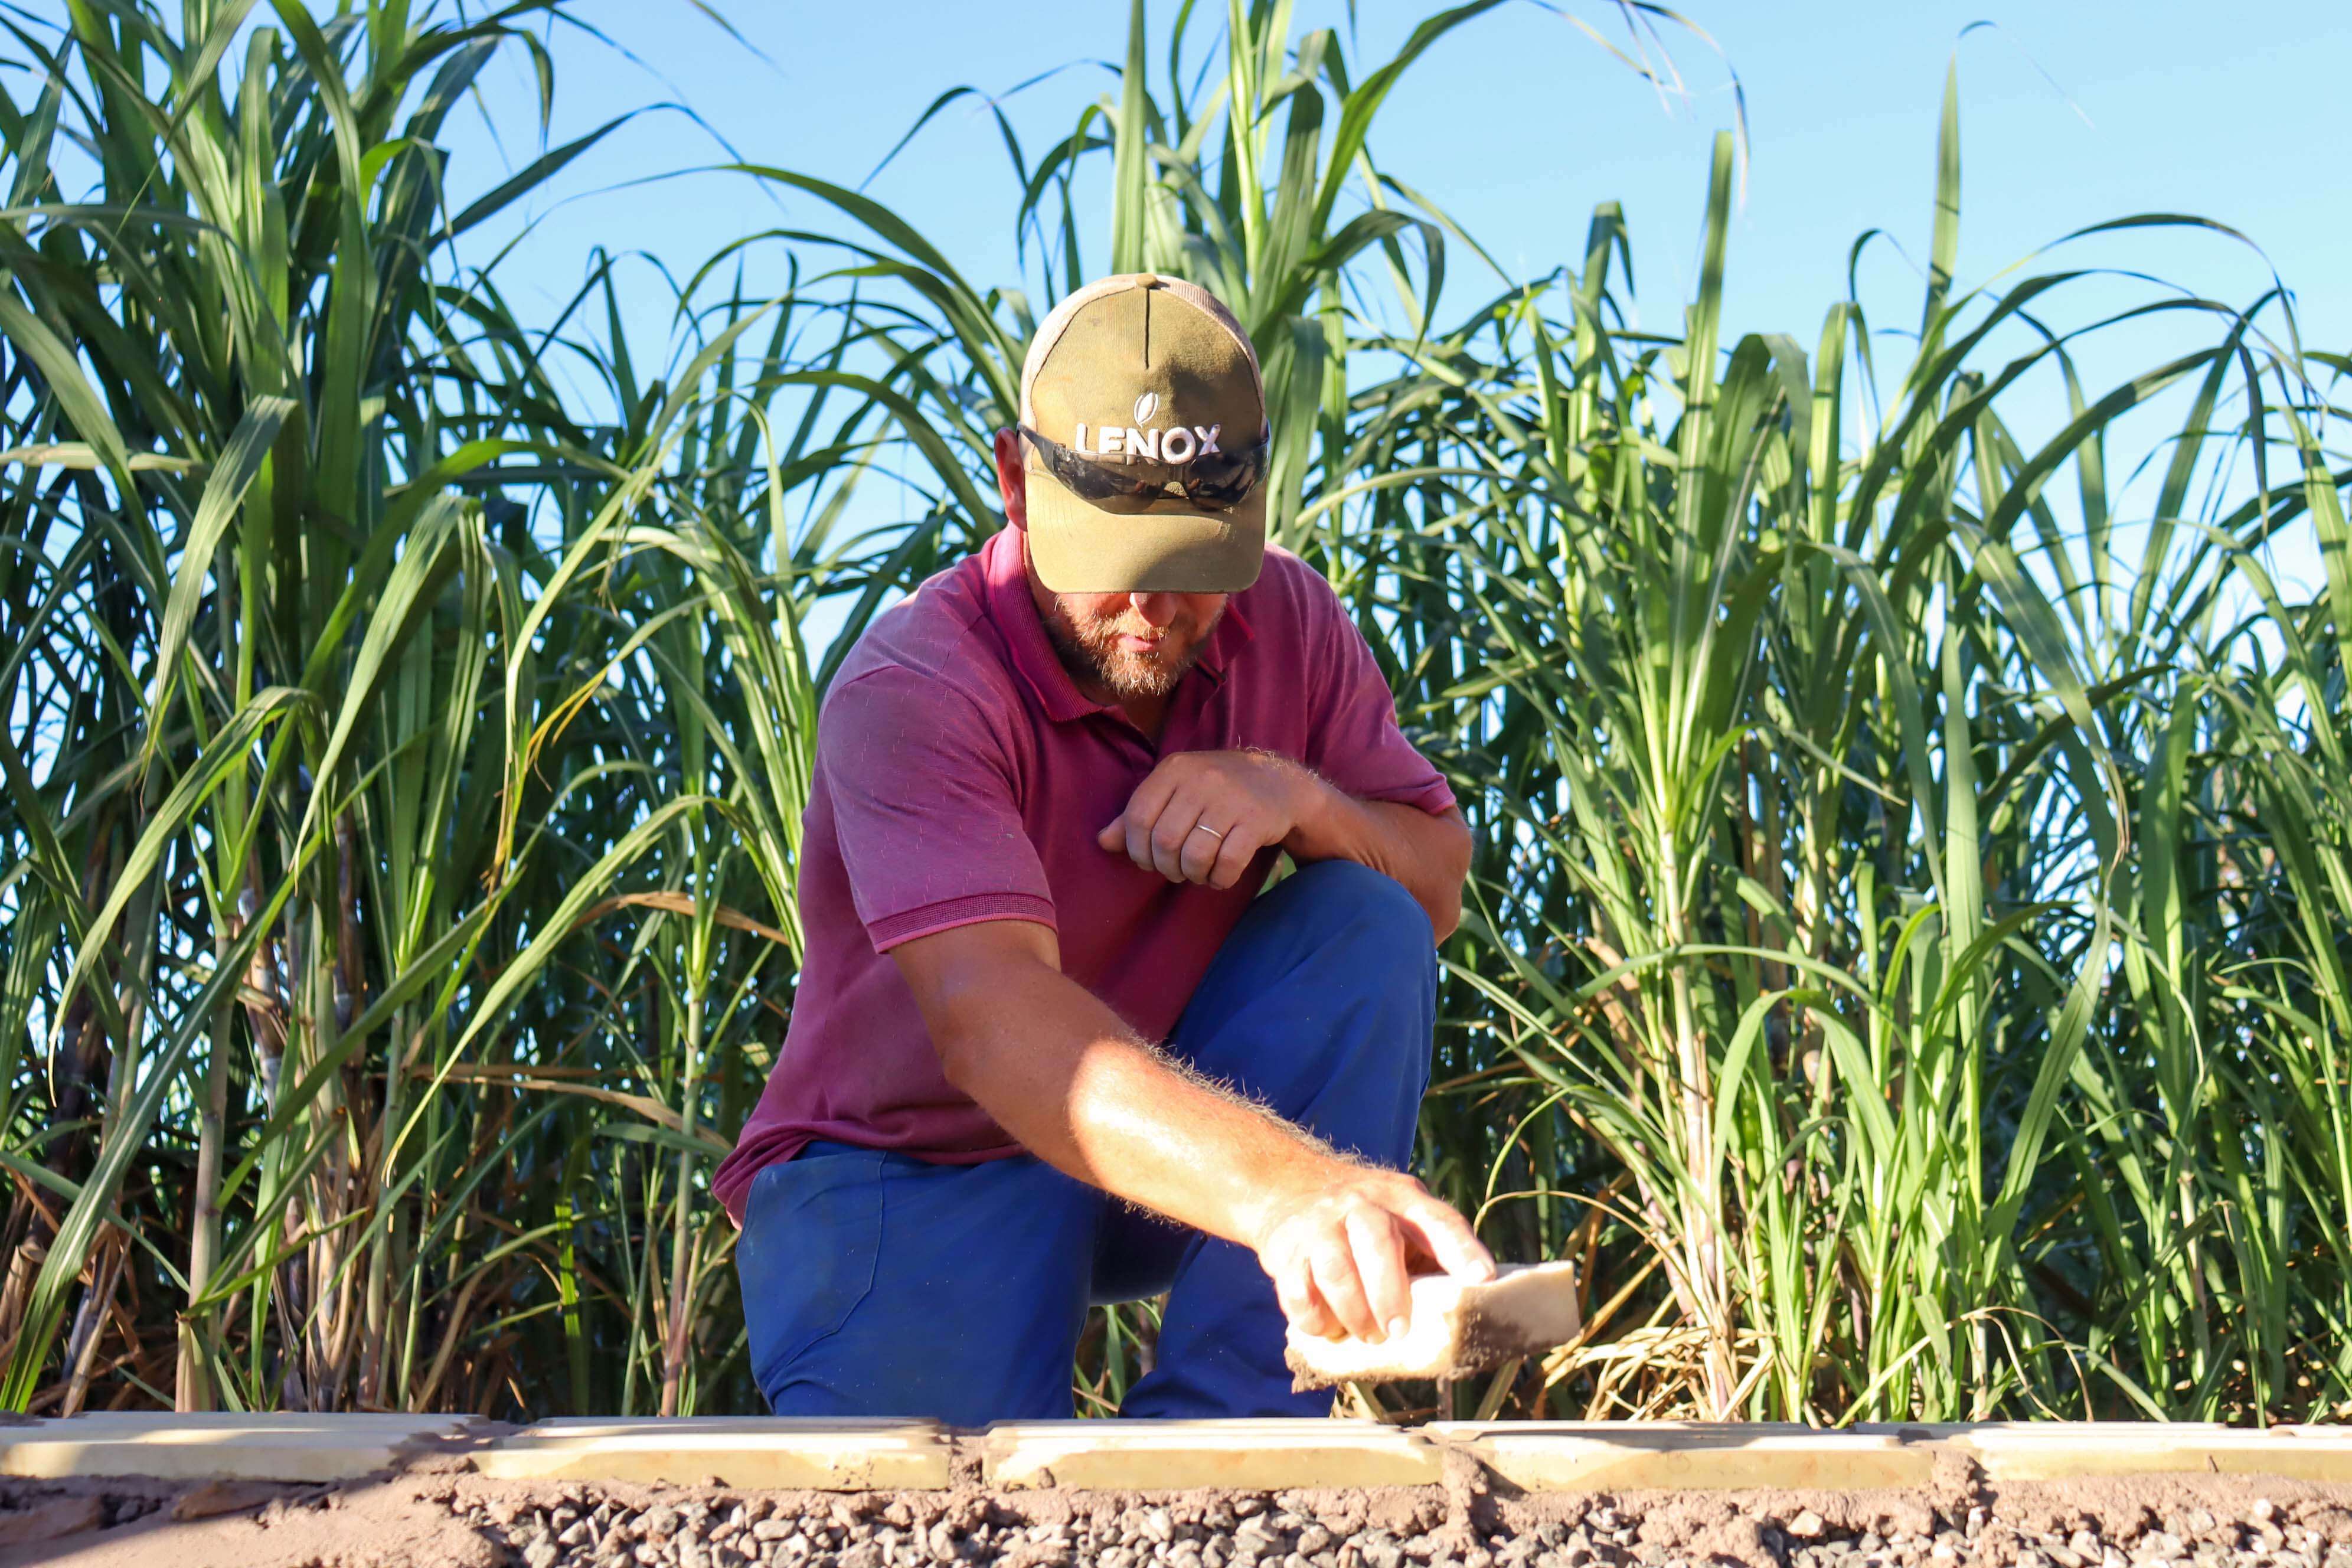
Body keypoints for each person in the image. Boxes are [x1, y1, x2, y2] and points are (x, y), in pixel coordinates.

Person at [712, 272, 1493, 1423]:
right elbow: (996, 1025)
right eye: (1111, 548)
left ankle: (1228, 1438)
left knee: (1363, 915)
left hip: (1157, 1159)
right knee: (925, 1517)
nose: (1151, 604)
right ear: (1016, 481)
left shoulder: (1292, 623)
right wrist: (1294, 1193)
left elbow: (1433, 884)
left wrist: (1300, 798)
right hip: (914, 1167)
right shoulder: (917, 686)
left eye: (1190, 555)